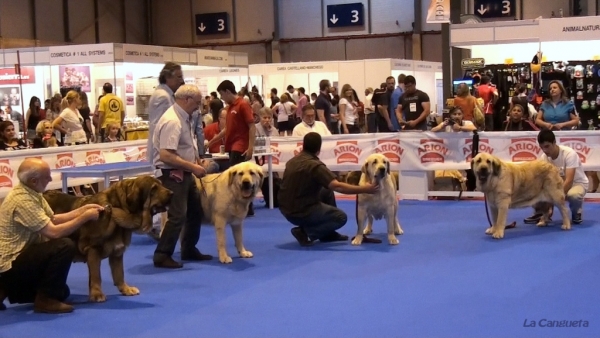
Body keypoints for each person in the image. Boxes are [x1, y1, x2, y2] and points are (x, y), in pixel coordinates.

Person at [0, 158, 104, 313]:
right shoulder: (22, 200)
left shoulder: (31, 192)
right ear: (34, 180)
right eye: (46, 176)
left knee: (63, 292)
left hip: (19, 259)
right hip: (12, 263)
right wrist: (85, 217)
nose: (50, 179)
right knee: (64, 245)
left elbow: (53, 218)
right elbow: (54, 232)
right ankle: (45, 300)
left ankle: (5, 289)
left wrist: (84, 209)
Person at [278, 132, 379, 246]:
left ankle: (328, 234)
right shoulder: (315, 166)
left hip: (285, 208)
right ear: (319, 149)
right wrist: (364, 188)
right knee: (340, 218)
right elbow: (338, 186)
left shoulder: (292, 161)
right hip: (300, 212)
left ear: (303, 145)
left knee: (327, 190)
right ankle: (305, 233)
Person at [152, 84, 211, 269]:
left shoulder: (183, 117)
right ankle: (162, 254)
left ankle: (188, 248)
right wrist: (193, 167)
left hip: (184, 172)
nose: (199, 106)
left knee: (195, 211)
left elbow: (183, 147)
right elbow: (166, 155)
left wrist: (196, 160)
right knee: (177, 215)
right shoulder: (172, 121)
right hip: (171, 174)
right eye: (197, 102)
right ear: (186, 100)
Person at [147, 62, 184, 241]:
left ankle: (155, 224)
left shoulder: (163, 94)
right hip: (161, 150)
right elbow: (162, 126)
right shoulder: (163, 97)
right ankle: (154, 226)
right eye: (178, 76)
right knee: (161, 189)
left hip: (160, 149)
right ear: (168, 77)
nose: (181, 80)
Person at [208, 80, 256, 216]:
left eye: (222, 95)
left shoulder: (243, 105)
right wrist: (211, 142)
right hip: (232, 146)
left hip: (240, 147)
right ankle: (245, 208)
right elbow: (227, 129)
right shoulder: (229, 108)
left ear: (228, 92)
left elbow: (252, 126)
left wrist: (250, 147)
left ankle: (245, 208)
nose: (222, 98)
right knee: (237, 179)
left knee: (239, 179)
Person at [524, 129, 588, 225]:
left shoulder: (569, 154)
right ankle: (542, 214)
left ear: (554, 142)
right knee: (535, 195)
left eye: (547, 146)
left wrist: (553, 199)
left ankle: (576, 212)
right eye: (542, 147)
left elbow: (569, 180)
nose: (545, 150)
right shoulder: (544, 158)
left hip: (577, 183)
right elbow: (544, 182)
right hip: (556, 186)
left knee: (573, 195)